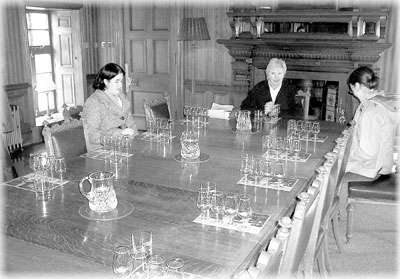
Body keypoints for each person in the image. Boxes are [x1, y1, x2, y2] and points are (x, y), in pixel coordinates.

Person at [346, 66, 399, 178]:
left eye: (351, 89)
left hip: (374, 169)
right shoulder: (378, 102)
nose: (352, 92)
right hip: (383, 165)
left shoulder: (369, 111)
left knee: (331, 172)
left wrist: (345, 154)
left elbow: (368, 153)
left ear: (356, 86)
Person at [82, 63, 138, 152]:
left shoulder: (122, 98)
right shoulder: (94, 102)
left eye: (121, 81)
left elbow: (131, 124)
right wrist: (120, 133)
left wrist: (136, 139)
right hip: (102, 151)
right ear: (106, 82)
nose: (120, 85)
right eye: (117, 81)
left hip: (123, 146)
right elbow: (92, 135)